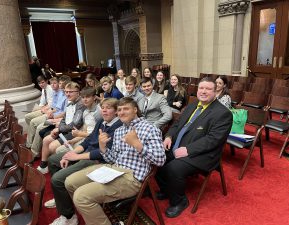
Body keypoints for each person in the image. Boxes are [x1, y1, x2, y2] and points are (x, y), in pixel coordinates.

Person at [65, 97, 166, 225]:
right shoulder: (119, 130)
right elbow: (113, 158)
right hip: (113, 169)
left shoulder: (150, 129)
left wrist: (137, 145)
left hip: (133, 178)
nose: (122, 112)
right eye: (119, 110)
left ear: (135, 110)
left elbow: (161, 160)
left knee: (81, 196)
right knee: (70, 182)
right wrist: (103, 148)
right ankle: (93, 215)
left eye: (126, 109)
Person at [155, 77, 233, 218]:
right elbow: (177, 124)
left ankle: (179, 201)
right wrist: (168, 136)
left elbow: (213, 140)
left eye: (208, 89)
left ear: (215, 92)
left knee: (173, 168)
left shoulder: (223, 113)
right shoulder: (192, 105)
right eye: (201, 88)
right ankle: (167, 189)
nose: (203, 91)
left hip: (203, 154)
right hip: (178, 144)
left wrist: (188, 150)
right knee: (156, 158)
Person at [46, 98, 123, 225]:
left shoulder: (118, 126)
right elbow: (88, 141)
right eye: (102, 107)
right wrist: (73, 153)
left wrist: (76, 157)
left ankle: (69, 216)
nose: (104, 110)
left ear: (116, 111)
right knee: (53, 160)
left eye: (108, 108)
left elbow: (103, 152)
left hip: (98, 160)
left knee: (57, 179)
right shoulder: (101, 121)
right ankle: (62, 198)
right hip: (86, 153)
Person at [37, 82, 85, 174]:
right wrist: (59, 128)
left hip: (74, 132)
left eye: (70, 92)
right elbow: (64, 119)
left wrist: (59, 129)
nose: (67, 94)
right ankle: (44, 165)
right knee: (46, 139)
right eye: (66, 92)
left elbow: (75, 124)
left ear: (78, 92)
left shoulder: (80, 105)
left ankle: (58, 168)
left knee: (52, 146)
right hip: (66, 129)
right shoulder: (70, 102)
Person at [26, 77, 67, 157]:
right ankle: (30, 145)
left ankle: (34, 153)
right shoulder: (58, 93)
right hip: (53, 115)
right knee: (32, 121)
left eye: (57, 83)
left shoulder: (62, 95)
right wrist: (48, 111)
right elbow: (54, 107)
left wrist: (52, 115)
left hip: (56, 118)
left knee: (38, 127)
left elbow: (63, 112)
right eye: (52, 83)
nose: (53, 85)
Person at [55, 87, 102, 154]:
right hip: (85, 138)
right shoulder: (85, 111)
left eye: (87, 97)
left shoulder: (99, 112)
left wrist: (80, 134)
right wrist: (72, 141)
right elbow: (85, 131)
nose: (85, 100)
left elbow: (98, 135)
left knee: (60, 151)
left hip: (94, 142)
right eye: (83, 97)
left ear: (94, 97)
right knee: (59, 149)